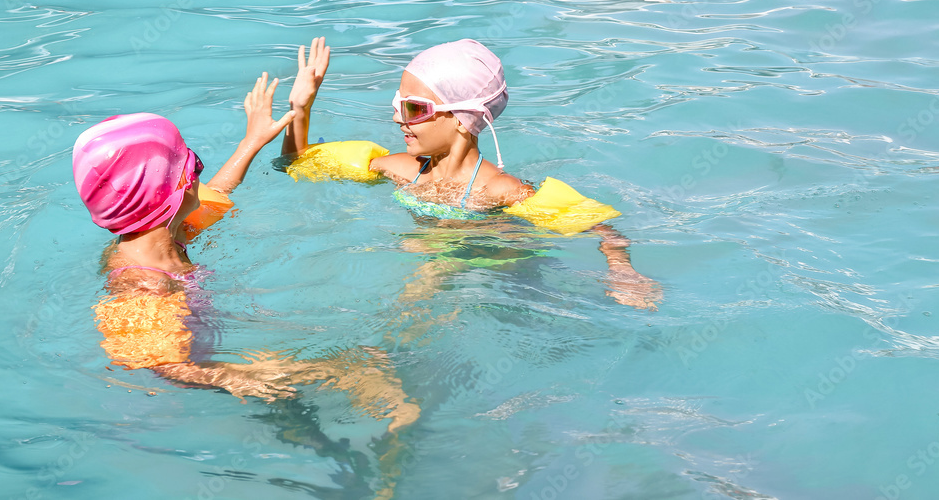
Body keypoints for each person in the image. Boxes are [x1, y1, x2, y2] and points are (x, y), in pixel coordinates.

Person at [74, 70, 419, 430]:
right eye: (194, 167)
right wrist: (247, 378)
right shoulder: (141, 285)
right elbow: (161, 366)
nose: (199, 177)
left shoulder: (163, 234)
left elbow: (217, 196)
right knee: (351, 365)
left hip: (207, 368)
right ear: (171, 197)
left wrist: (251, 141)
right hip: (179, 403)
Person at [281, 37, 662, 310]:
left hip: (504, 280)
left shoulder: (500, 190)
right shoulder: (402, 170)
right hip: (441, 276)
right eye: (397, 104)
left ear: (464, 119)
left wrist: (622, 272)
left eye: (414, 109)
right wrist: (301, 107)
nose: (398, 117)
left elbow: (603, 229)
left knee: (430, 274)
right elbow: (294, 164)